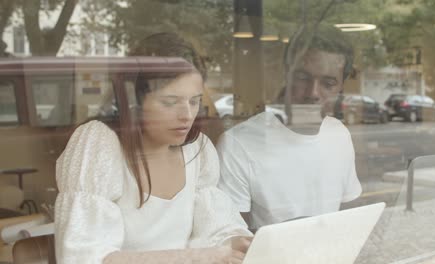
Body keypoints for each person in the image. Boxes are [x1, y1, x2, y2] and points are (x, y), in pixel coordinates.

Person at [54, 32, 252, 263]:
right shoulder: (99, 144)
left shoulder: (197, 149)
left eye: (194, 101)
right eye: (170, 102)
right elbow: (85, 257)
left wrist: (236, 243)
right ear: (134, 101)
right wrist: (198, 258)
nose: (187, 116)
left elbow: (217, 230)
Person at [217, 25, 362, 231]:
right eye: (303, 77)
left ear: (341, 87)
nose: (313, 93)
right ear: (286, 74)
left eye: (328, 83)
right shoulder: (238, 144)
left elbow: (349, 217)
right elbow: (234, 238)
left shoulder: (339, 134)